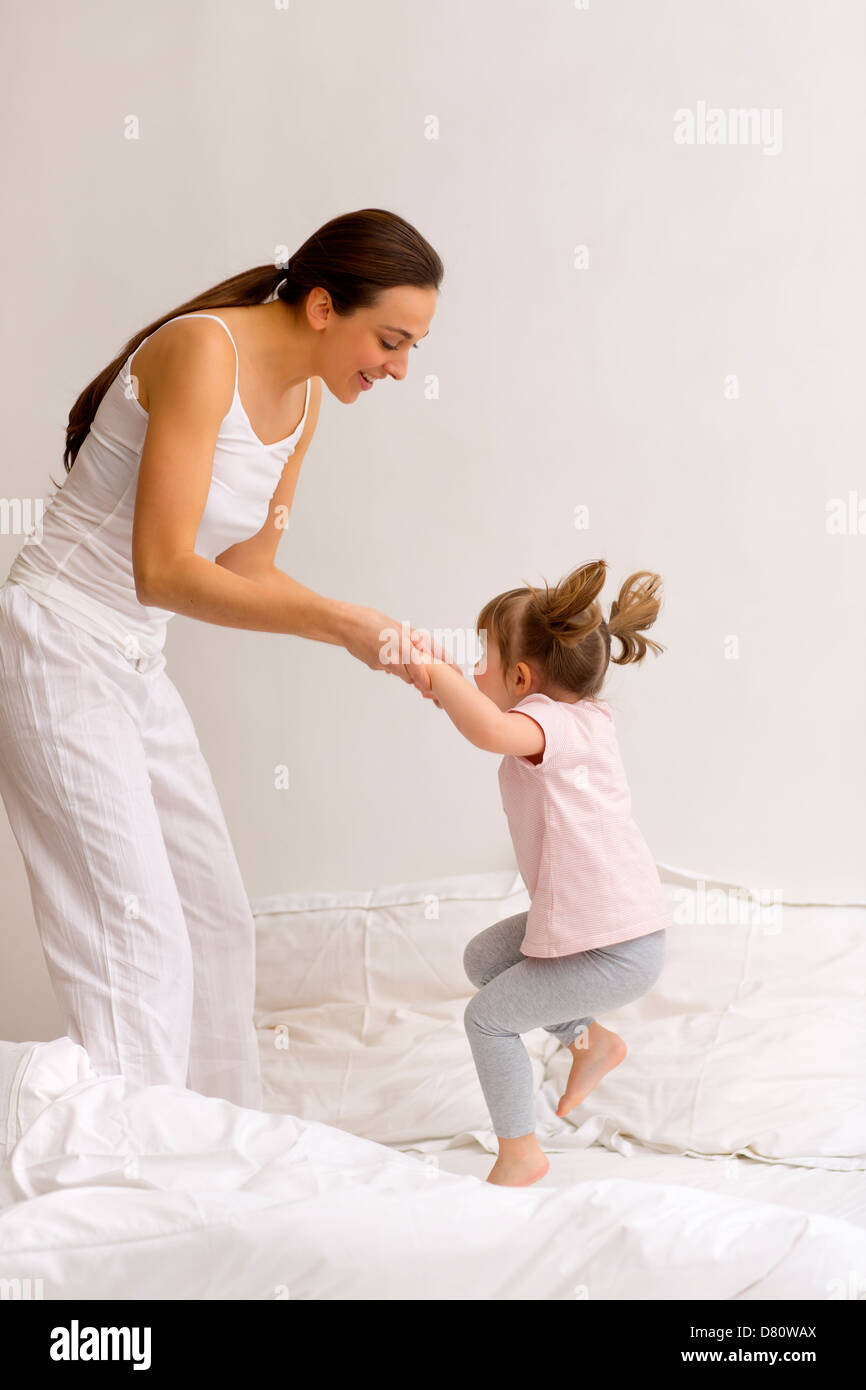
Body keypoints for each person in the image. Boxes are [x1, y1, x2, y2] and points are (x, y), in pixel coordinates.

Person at [0, 207, 452, 1108]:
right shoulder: (204, 351)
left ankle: (216, 1151)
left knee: (214, 923)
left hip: (132, 658)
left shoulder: (305, 403)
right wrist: (343, 625)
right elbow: (164, 569)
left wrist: (370, 632)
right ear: (323, 306)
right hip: (53, 640)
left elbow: (249, 571)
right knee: (140, 936)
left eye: (412, 349)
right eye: (392, 340)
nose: (402, 367)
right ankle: (130, 1170)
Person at [406, 558, 670, 1186]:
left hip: (614, 946)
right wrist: (449, 688)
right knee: (484, 962)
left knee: (487, 1019)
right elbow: (489, 721)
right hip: (603, 927)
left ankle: (520, 1151)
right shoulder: (580, 721)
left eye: (482, 662)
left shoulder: (551, 725)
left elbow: (489, 728)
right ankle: (590, 1042)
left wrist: (441, 677)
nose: (474, 674)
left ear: (521, 678)